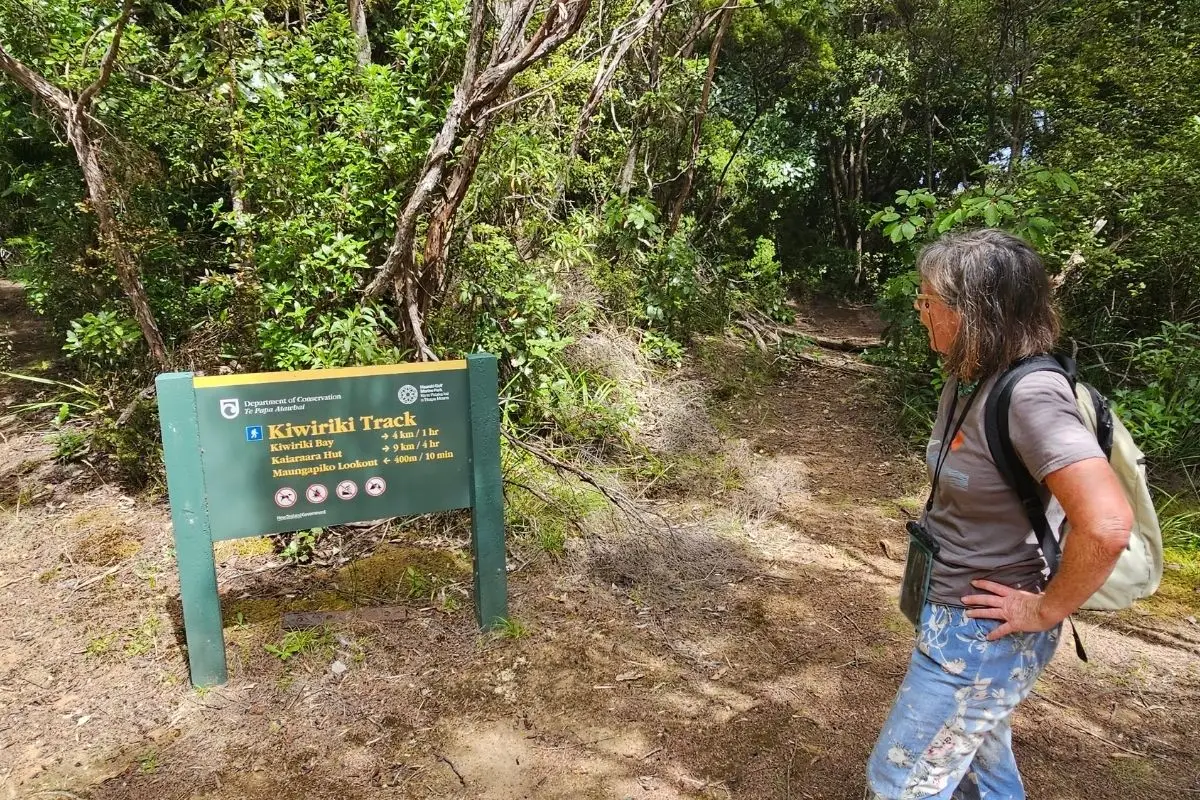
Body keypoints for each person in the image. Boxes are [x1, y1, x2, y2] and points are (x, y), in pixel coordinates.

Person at [865, 229, 1133, 799]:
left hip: (982, 635)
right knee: (979, 771)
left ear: (973, 312)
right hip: (954, 614)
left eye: (928, 301)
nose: (920, 312)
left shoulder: (1031, 396)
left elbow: (1108, 524)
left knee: (900, 781)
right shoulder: (972, 377)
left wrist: (1046, 607)